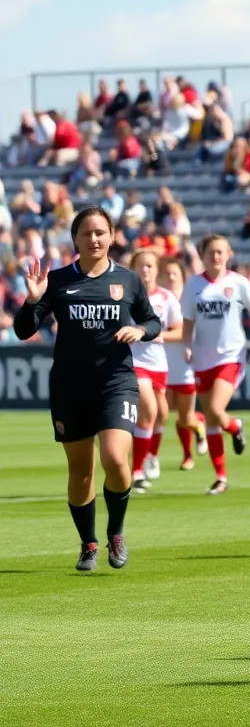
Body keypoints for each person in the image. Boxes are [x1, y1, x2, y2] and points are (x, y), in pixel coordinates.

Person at [13, 207, 162, 571]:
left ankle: (116, 534)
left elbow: (152, 321)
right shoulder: (58, 280)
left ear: (112, 236)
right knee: (81, 472)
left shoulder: (127, 280)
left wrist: (141, 331)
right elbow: (23, 330)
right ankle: (88, 543)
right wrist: (33, 300)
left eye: (100, 232)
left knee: (115, 459)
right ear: (75, 239)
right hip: (70, 387)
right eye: (86, 233)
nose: (94, 239)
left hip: (116, 382)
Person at [181, 235, 250, 495]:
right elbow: (188, 320)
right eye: (211, 252)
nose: (216, 257)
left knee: (216, 410)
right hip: (202, 357)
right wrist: (186, 345)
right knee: (212, 423)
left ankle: (235, 426)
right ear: (202, 255)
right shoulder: (194, 284)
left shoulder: (238, 282)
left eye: (220, 252)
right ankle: (221, 478)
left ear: (228, 254)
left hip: (231, 355)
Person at [128, 251, 184, 493]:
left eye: (150, 266)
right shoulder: (124, 296)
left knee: (161, 413)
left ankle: (151, 454)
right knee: (148, 409)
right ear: (133, 269)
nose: (146, 270)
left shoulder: (166, 297)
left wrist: (160, 335)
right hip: (134, 361)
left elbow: (180, 331)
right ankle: (136, 471)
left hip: (159, 364)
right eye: (141, 266)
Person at [160, 258, 206, 470]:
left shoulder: (190, 298)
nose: (170, 277)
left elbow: (192, 330)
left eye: (174, 273)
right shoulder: (157, 298)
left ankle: (199, 425)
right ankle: (187, 456)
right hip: (162, 362)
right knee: (163, 412)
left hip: (186, 360)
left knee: (185, 416)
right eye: (167, 273)